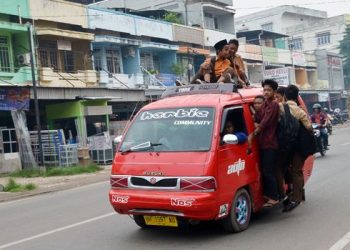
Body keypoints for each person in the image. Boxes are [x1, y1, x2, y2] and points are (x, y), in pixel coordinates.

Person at [248, 79, 280, 207]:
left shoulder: (274, 104)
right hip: (263, 142)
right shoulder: (265, 104)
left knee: (268, 171)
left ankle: (274, 197)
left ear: (274, 92)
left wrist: (253, 134)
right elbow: (258, 117)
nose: (266, 92)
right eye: (265, 90)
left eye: (269, 90)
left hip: (270, 142)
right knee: (264, 170)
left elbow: (265, 122)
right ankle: (268, 194)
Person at [280, 85, 312, 212]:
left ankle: (295, 197)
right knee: (297, 170)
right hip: (300, 146)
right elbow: (309, 127)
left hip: (287, 145)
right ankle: (299, 195)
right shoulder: (299, 110)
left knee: (291, 170)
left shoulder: (280, 107)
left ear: (285, 96)